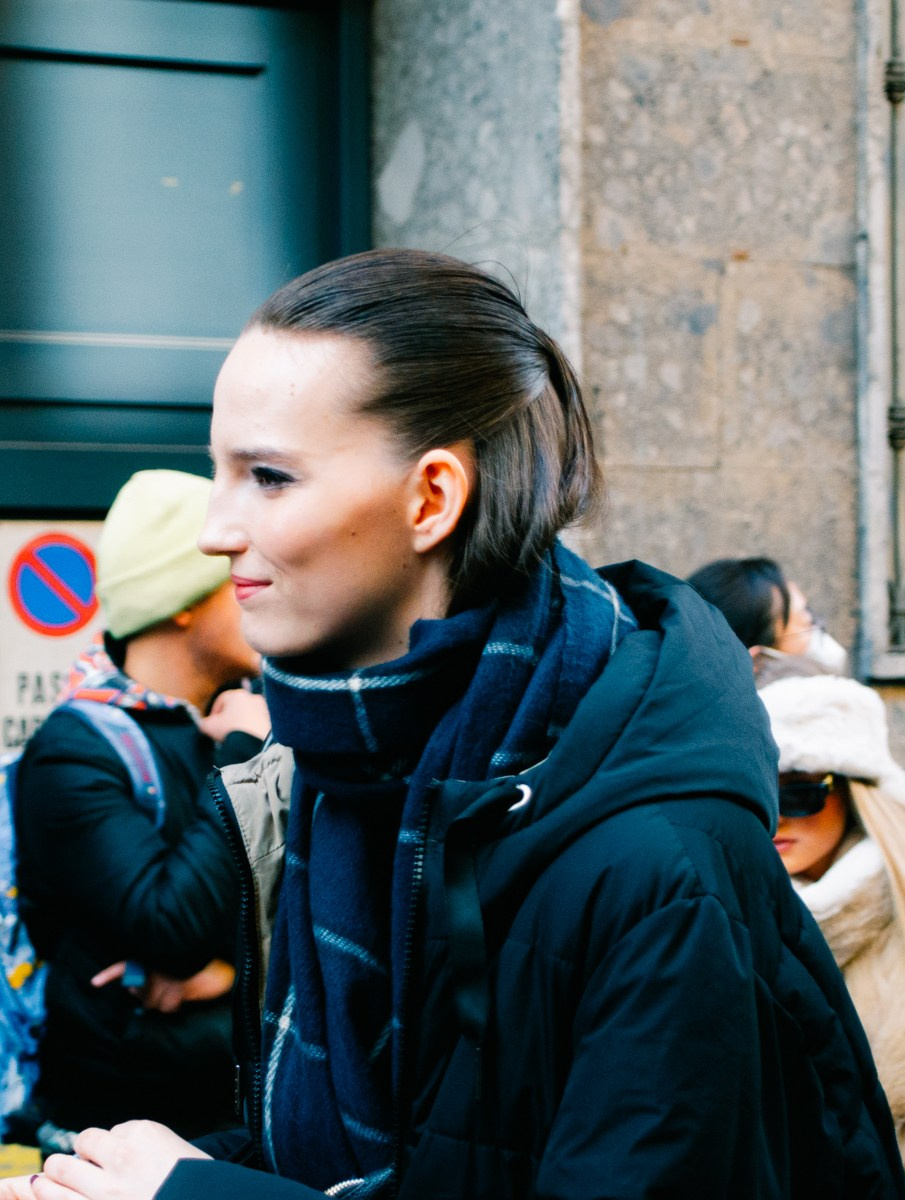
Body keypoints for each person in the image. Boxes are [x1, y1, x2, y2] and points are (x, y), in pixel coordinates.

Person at [7, 249, 903, 1199]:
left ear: (431, 498)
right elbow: (381, 1156)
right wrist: (166, 1174)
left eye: (268, 477)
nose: (216, 529)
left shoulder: (657, 855)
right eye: (217, 471)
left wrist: (193, 1194)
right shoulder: (346, 765)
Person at [12, 470, 269, 1144]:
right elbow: (171, 922)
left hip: (243, 1123)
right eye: (235, 577)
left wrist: (229, 976)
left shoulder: (241, 716)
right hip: (124, 1142)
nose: (257, 591)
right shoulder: (74, 751)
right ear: (179, 601)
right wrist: (244, 756)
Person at [760, 671, 905, 1157]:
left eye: (801, 791)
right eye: (764, 790)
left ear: (851, 790)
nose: (778, 814)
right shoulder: (729, 911)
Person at [687, 555, 848, 676]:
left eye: (809, 611)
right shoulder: (824, 712)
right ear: (758, 661)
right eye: (804, 616)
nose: (814, 626)